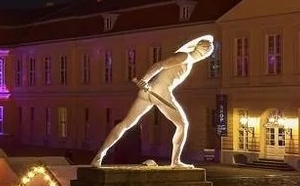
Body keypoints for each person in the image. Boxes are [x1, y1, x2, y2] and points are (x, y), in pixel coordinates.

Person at [92, 35, 215, 168]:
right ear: (204, 53)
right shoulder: (185, 57)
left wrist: (145, 82)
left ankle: (99, 156)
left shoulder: (187, 59)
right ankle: (175, 161)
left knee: (126, 124)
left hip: (148, 92)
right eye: (207, 50)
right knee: (183, 124)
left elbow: (160, 67)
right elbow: (159, 65)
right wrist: (144, 80)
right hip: (161, 92)